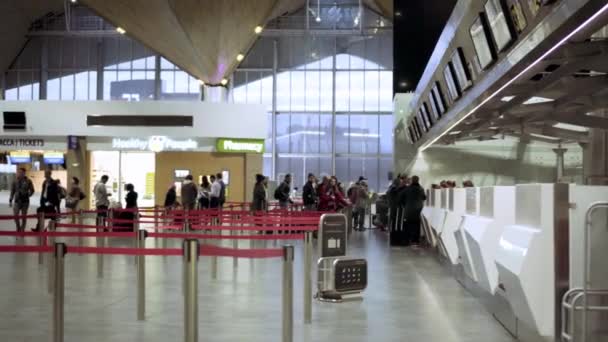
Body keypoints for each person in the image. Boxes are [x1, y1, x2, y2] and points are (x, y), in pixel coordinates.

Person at [401, 175, 427, 246]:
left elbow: (401, 198)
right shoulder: (421, 189)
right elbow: (424, 197)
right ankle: (415, 241)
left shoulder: (407, 189)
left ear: (412, 180)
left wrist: (405, 205)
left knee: (407, 225)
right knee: (416, 225)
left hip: (408, 210)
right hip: (418, 210)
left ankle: (407, 240)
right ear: (418, 180)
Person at [8, 168, 35, 232]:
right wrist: (10, 200)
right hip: (17, 201)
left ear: (24, 173)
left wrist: (28, 195)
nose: (20, 174)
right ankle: (18, 227)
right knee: (15, 215)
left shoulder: (28, 181)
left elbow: (32, 190)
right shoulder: (15, 181)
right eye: (19, 172)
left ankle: (22, 229)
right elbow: (12, 191)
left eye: (21, 172)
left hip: (25, 202)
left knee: (23, 216)